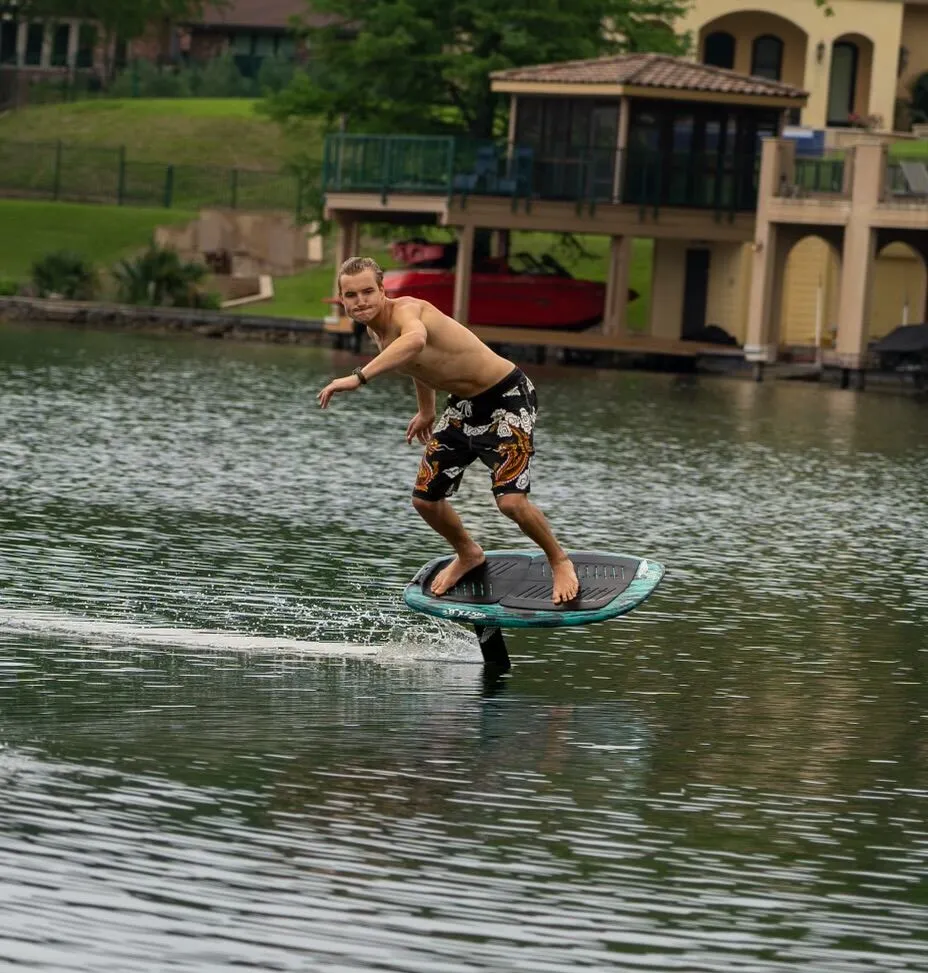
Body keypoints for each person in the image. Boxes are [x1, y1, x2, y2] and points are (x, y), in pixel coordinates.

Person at [317, 256, 580, 605]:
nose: (360, 301)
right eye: (351, 295)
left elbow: (414, 342)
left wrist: (358, 377)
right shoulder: (375, 331)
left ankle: (559, 560)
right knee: (425, 500)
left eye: (368, 291)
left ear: (383, 291)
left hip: (508, 397)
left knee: (511, 503)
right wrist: (426, 410)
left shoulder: (407, 311)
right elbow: (414, 363)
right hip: (465, 406)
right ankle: (470, 553)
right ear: (342, 299)